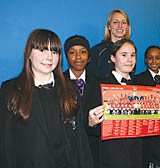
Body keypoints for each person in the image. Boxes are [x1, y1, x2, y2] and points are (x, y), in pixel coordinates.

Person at [0, 29, 93, 168]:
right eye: (42, 50)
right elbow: (5, 144)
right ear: (29, 54)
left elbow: (80, 140)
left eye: (54, 52)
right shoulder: (10, 89)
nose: (49, 57)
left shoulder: (70, 87)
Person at [95, 39, 142, 168]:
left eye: (133, 55)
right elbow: (90, 128)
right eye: (124, 55)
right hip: (111, 156)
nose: (129, 59)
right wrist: (91, 122)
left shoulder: (142, 87)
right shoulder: (99, 86)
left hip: (137, 155)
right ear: (113, 58)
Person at [63, 35, 104, 168]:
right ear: (66, 56)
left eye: (83, 51)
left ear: (89, 56)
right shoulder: (58, 82)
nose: (78, 57)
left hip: (93, 150)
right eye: (72, 52)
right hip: (65, 149)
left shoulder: (99, 83)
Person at [134, 45, 160, 167]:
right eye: (150, 58)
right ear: (145, 60)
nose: (153, 61)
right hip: (148, 133)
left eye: (157, 58)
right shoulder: (137, 80)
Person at [87, 9, 131, 79]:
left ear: (127, 27)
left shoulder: (131, 50)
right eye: (115, 22)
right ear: (109, 26)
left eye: (123, 22)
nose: (120, 26)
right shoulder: (97, 51)